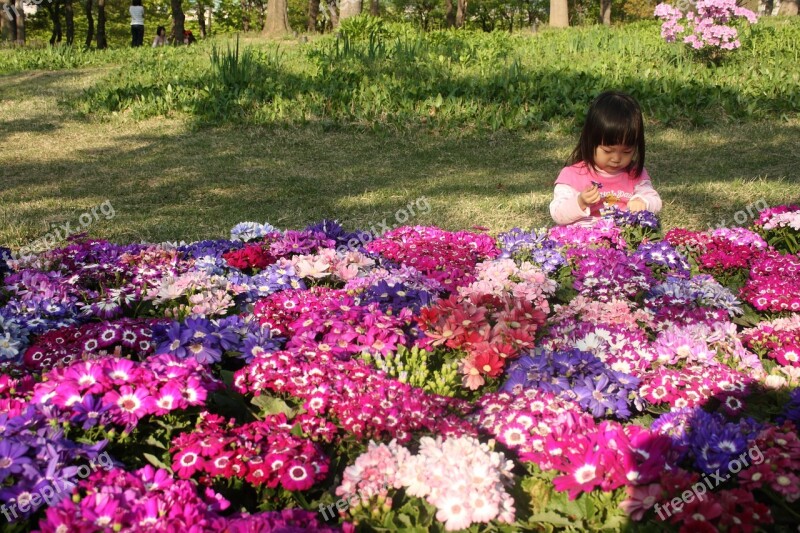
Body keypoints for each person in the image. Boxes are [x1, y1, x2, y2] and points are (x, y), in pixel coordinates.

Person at [549, 91, 662, 226]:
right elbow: (557, 213)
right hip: (583, 240)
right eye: (608, 151)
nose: (616, 158)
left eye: (626, 151)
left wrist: (643, 201)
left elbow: (654, 200)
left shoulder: (634, 173)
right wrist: (580, 202)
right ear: (590, 141)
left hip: (624, 238)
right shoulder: (572, 175)